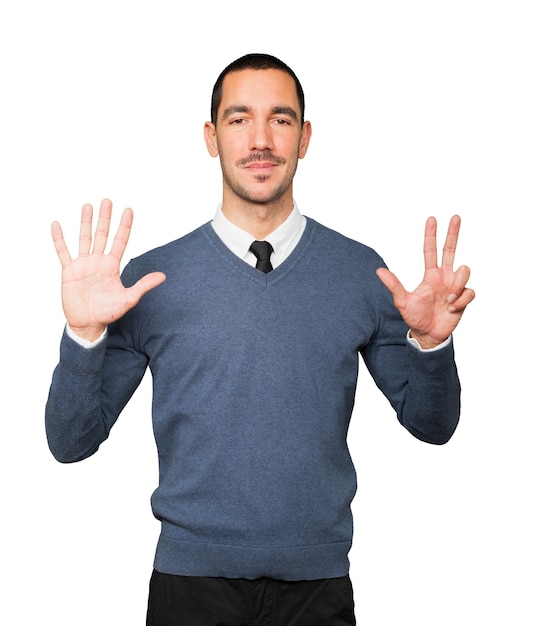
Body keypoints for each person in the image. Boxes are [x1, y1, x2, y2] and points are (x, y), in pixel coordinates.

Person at [46, 53, 475, 626]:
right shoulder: (149, 281)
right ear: (210, 136)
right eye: (239, 118)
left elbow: (433, 425)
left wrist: (431, 347)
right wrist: (82, 333)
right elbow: (70, 441)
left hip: (318, 588)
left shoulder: (362, 275)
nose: (260, 139)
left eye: (280, 119)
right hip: (190, 587)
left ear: (305, 138)